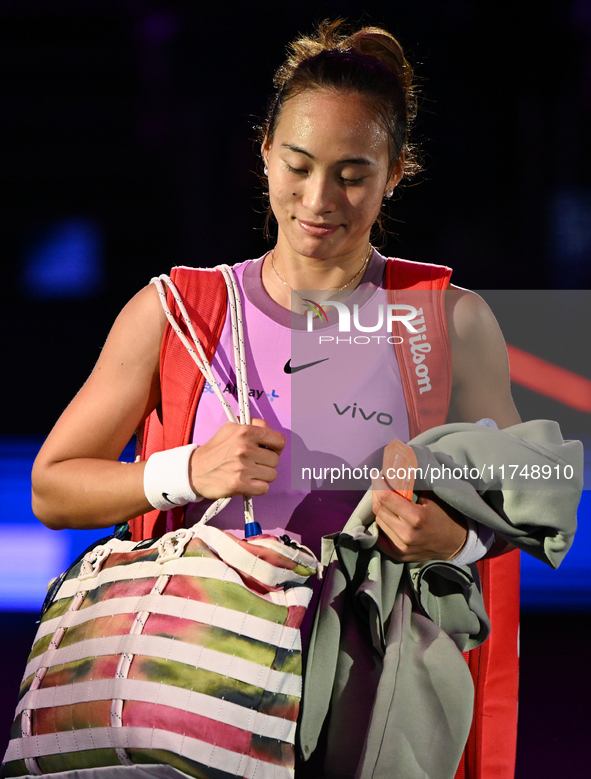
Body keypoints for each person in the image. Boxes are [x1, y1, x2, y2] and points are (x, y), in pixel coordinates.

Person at [30, 19, 521, 778]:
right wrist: (185, 472)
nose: (318, 198)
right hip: (193, 693)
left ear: (395, 172)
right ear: (262, 153)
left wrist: (450, 541)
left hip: (372, 710)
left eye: (353, 173)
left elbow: (524, 503)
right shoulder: (174, 310)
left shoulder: (452, 319)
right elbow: (53, 485)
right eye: (297, 165)